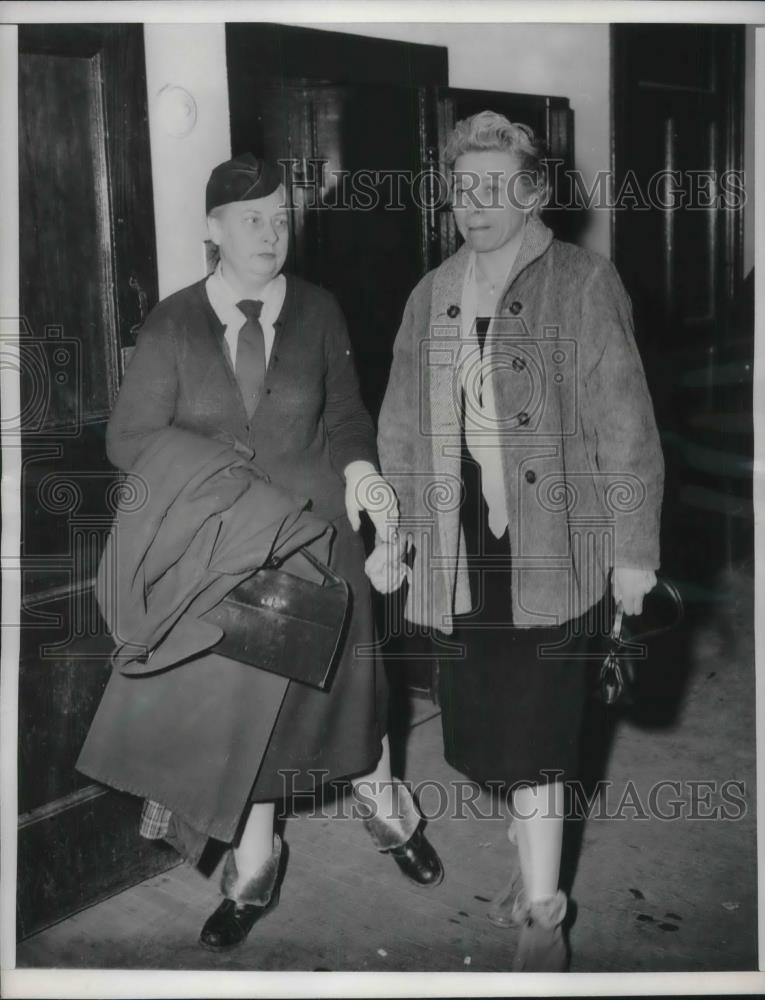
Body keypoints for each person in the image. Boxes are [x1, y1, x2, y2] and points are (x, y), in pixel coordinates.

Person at [92, 153, 443, 952]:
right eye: (251, 217)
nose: (270, 232)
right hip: (226, 550)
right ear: (213, 229)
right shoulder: (174, 323)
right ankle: (253, 867)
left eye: (281, 217)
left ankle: (390, 815)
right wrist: (228, 486)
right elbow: (130, 438)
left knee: (353, 702)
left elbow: (348, 417)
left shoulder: (318, 310)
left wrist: (363, 477)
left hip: (319, 540)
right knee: (250, 719)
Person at [367, 112, 664, 971]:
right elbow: (397, 426)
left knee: (539, 738)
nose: (477, 205)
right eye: (464, 188)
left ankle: (544, 913)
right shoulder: (433, 291)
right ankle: (528, 852)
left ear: (534, 191)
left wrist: (634, 551)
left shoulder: (581, 282)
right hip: (464, 555)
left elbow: (627, 430)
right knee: (496, 737)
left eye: (497, 188)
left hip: (557, 547)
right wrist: (395, 524)